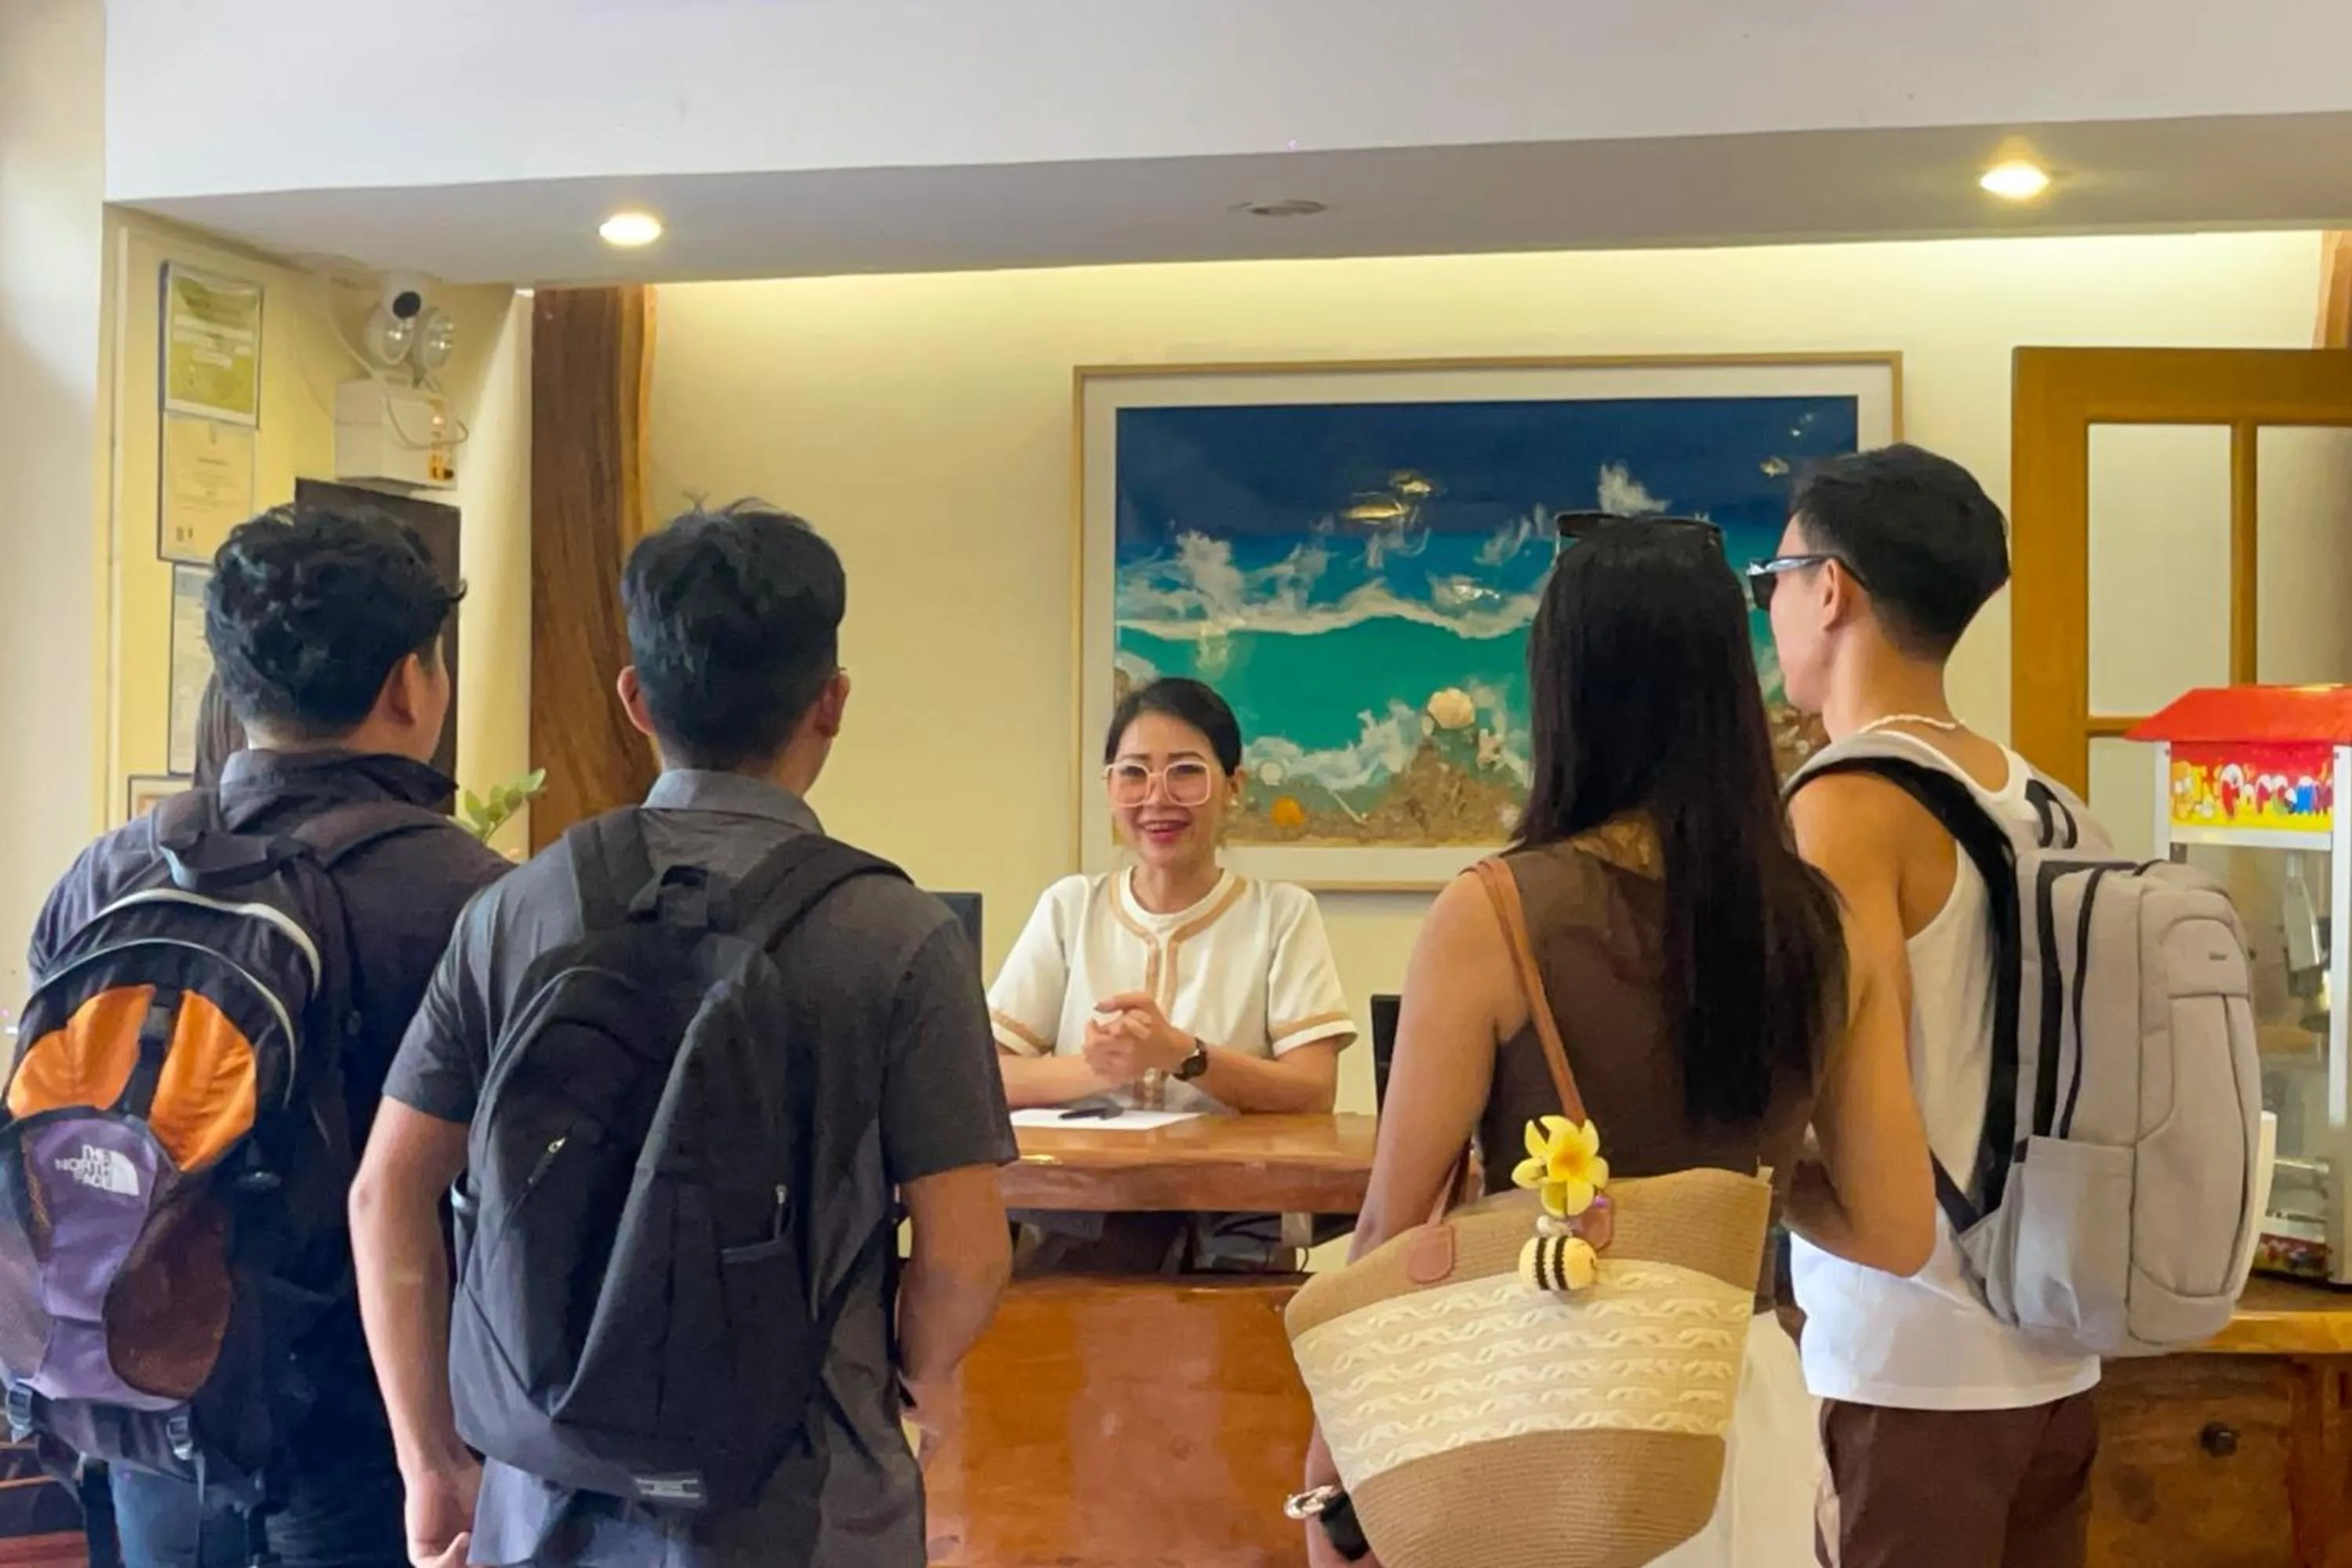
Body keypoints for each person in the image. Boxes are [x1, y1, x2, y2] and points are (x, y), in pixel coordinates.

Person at [350, 501, 1014, 1568]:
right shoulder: (895, 933)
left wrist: (432, 1463)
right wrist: (911, 1380)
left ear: (635, 698)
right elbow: (966, 1252)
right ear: (831, 703)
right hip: (809, 1493)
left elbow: (388, 1193)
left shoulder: (520, 909)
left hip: (549, 1487)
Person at [1303, 517, 1936, 1568]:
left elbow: (1393, 1222)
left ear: (1564, 692)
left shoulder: (1494, 912)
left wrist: (1334, 1474)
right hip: (1745, 1416)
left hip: (1547, 1400)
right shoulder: (1822, 923)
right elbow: (1895, 1227)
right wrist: (1739, 1188)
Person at [27, 504, 508, 1568]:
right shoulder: (476, 904)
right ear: (410, 683)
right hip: (373, 1442)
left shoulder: (108, 877)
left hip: (143, 1407)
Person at [1762, 445, 2100, 1568]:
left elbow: (1874, 1171)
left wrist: (1722, 1173)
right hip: (2060, 1345)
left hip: (1914, 1368)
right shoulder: (2043, 796)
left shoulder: (1847, 803)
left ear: (1831, 588)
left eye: (1776, 576)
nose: (1771, 607)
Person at [986, 677, 1356, 1270]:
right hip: (1070, 1228)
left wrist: (1182, 1053)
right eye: (1133, 773)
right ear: (1109, 787)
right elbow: (981, 1078)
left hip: (1236, 1232)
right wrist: (1095, 1069)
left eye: (1185, 771)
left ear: (1233, 786)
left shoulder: (1281, 914)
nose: (1156, 798)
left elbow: (1313, 1091)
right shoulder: (1069, 907)